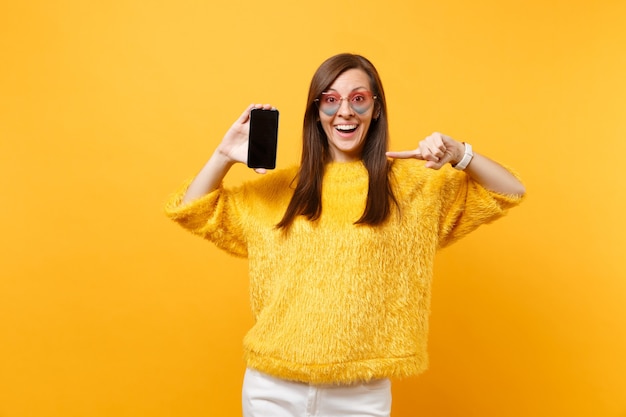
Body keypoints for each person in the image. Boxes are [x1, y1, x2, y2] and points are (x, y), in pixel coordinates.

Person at [164, 53, 525, 417]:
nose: (345, 111)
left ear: (376, 108)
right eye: (331, 99)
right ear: (316, 111)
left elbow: (508, 191)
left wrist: (461, 153)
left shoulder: (414, 188)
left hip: (360, 392)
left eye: (358, 98)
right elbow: (195, 210)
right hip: (272, 386)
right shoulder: (278, 191)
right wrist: (223, 155)